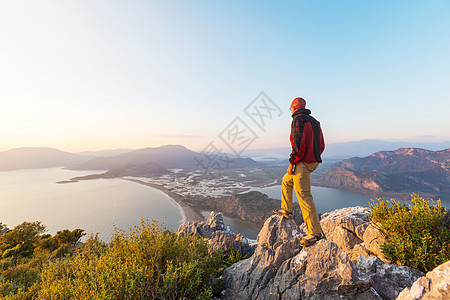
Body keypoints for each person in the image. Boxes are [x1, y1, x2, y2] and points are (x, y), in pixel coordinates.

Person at [273, 97, 325, 247]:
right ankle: (287, 209)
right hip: (313, 161)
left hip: (303, 162)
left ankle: (314, 232)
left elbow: (297, 145)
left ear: (294, 108)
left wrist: (293, 162)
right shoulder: (315, 122)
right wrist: (314, 156)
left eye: (290, 108)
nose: (290, 111)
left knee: (304, 195)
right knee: (286, 181)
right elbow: (321, 145)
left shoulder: (298, 120)